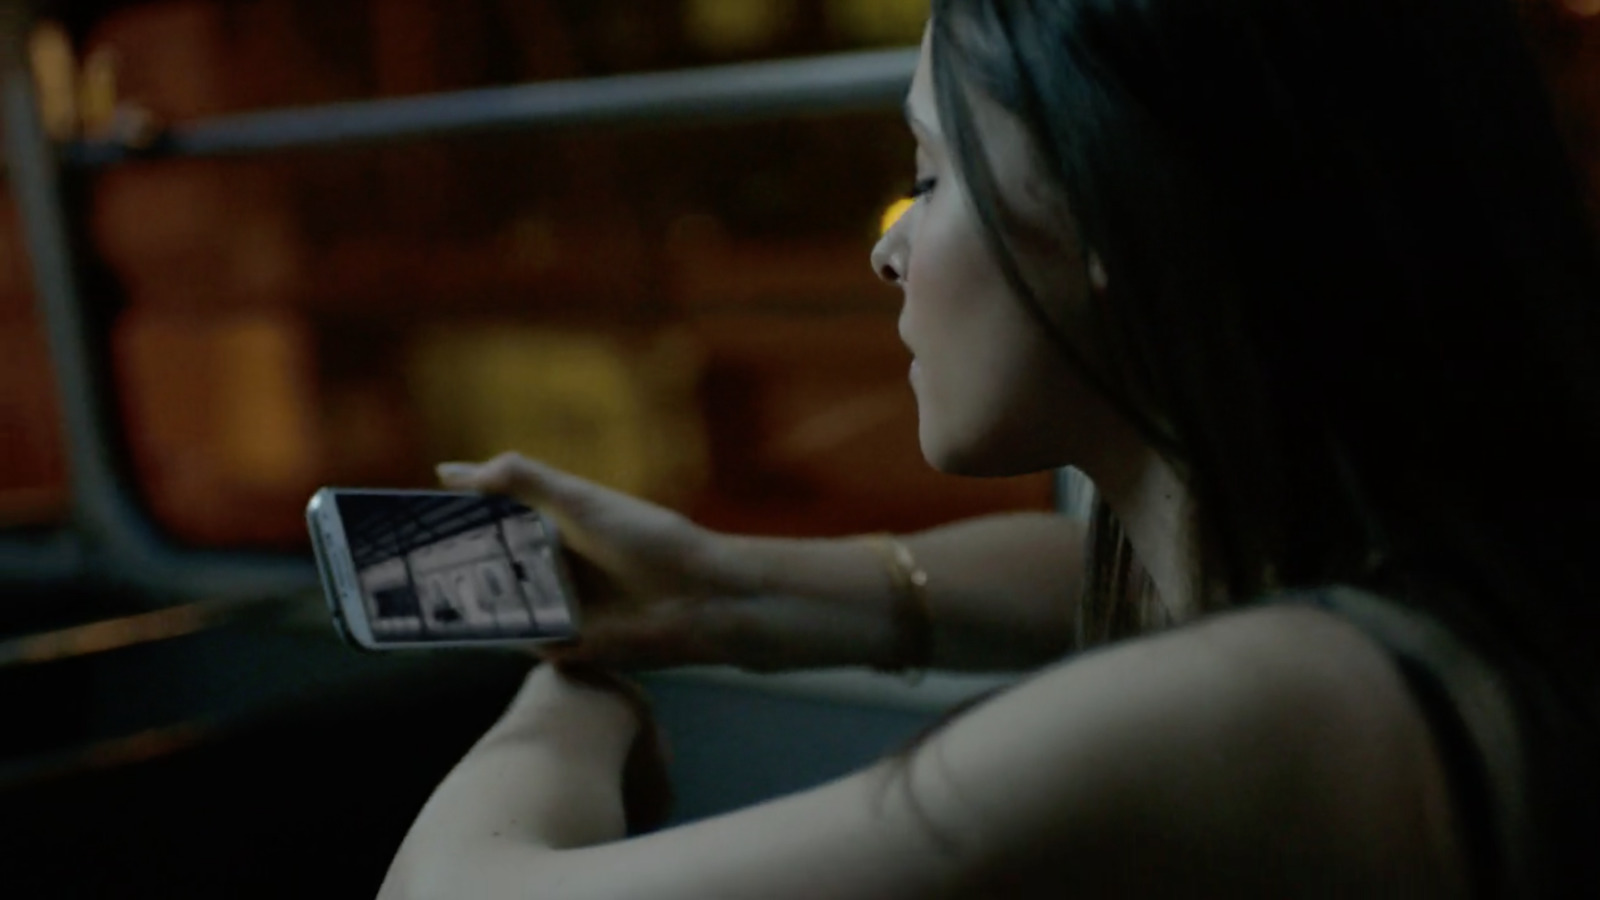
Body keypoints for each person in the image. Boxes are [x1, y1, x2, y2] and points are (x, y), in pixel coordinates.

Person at [379, 0, 1600, 895]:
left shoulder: (1256, 709)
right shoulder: (1408, 592)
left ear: (1116, 198)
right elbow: (1064, 578)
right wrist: (718, 585)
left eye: (931, 172)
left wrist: (569, 703)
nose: (887, 247)